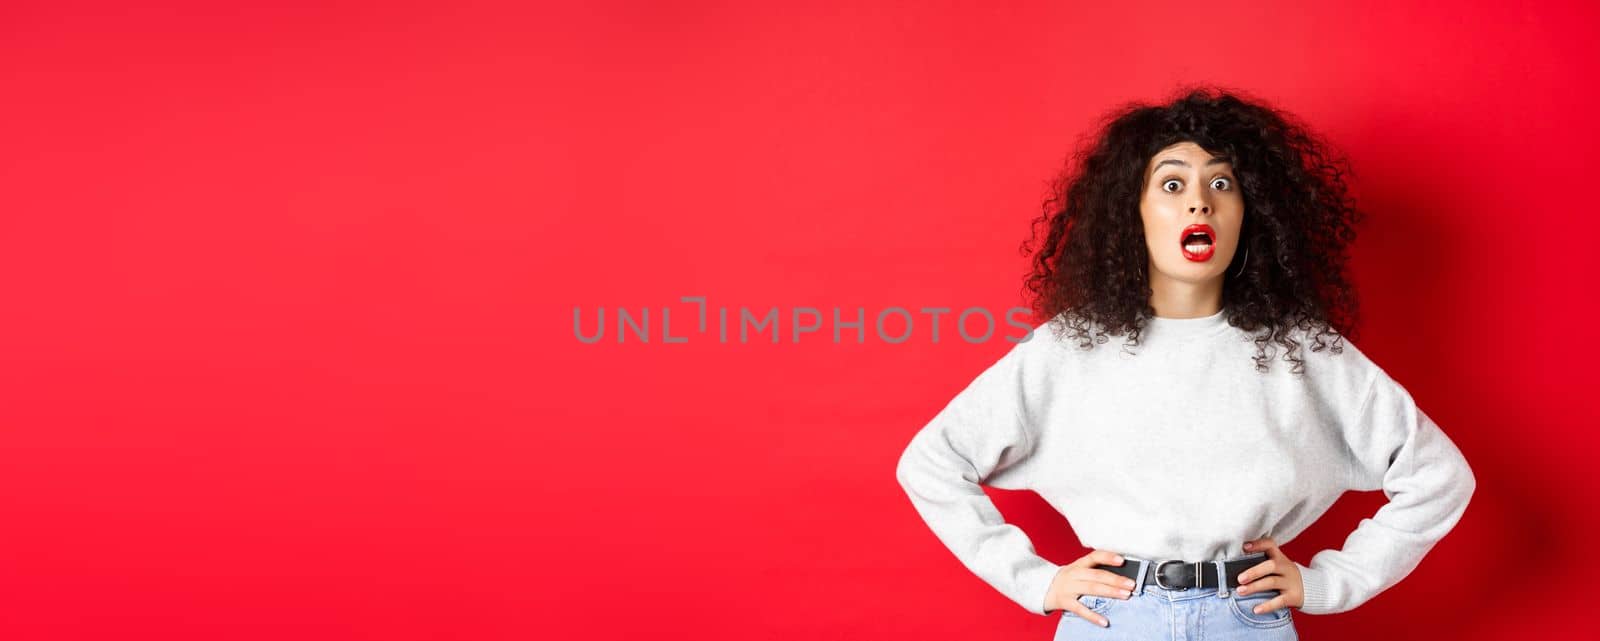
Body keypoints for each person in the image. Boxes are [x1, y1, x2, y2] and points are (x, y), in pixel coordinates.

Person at [893, 86, 1476, 640]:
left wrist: (1331, 583)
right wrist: (1037, 582)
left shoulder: (1301, 352)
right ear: (1134, 213)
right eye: (1171, 185)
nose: (1200, 199)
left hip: (1246, 621)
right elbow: (932, 462)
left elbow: (1438, 476)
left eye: (1222, 182)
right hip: (1111, 622)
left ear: (1251, 214)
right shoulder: (1070, 348)